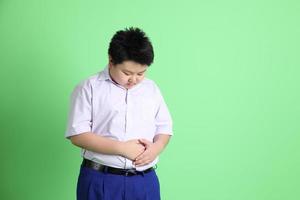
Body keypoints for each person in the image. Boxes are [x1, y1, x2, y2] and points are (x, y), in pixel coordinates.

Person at [65, 27, 173, 200]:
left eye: (141, 73)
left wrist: (156, 148)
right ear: (111, 60)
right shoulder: (89, 87)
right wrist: (122, 149)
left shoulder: (151, 89)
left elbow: (165, 127)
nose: (134, 79)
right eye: (127, 73)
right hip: (100, 178)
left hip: (144, 180)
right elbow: (78, 134)